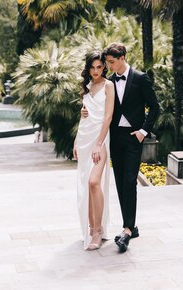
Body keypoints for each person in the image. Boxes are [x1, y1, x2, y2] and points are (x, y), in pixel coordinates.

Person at [101, 42, 160, 253]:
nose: (109, 66)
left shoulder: (141, 78)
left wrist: (143, 132)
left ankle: (126, 230)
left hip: (134, 138)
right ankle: (131, 226)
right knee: (119, 182)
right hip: (115, 138)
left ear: (123, 57)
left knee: (129, 181)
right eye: (107, 62)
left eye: (111, 62)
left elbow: (155, 107)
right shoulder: (108, 82)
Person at [73, 50, 115, 251]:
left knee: (94, 181)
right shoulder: (87, 87)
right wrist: (75, 142)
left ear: (104, 67)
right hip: (84, 138)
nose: (96, 71)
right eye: (93, 67)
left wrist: (99, 143)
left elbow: (108, 117)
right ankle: (91, 229)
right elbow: (84, 117)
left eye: (99, 67)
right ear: (88, 68)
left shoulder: (109, 86)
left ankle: (98, 231)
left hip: (101, 139)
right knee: (86, 185)